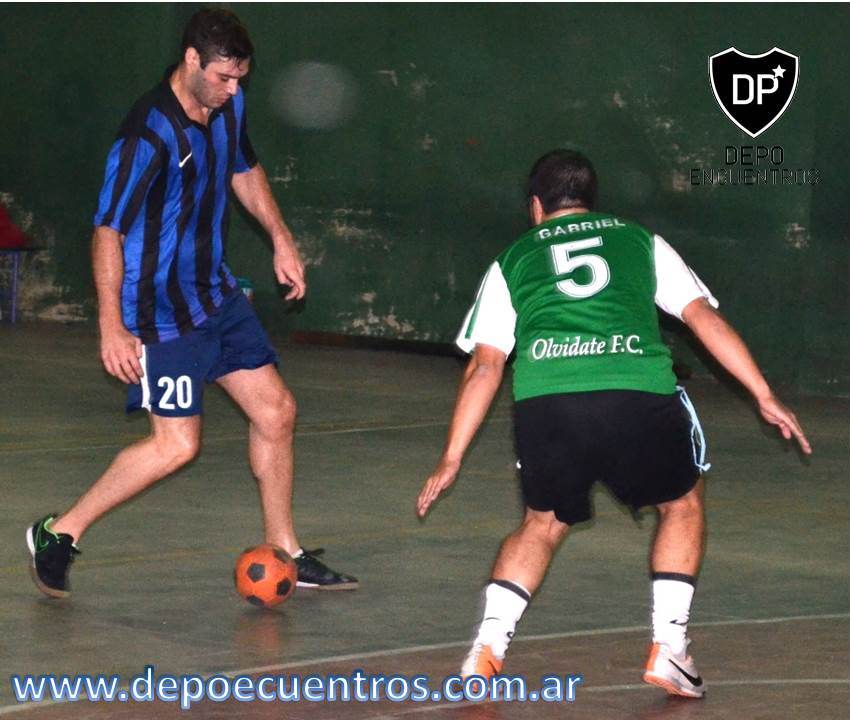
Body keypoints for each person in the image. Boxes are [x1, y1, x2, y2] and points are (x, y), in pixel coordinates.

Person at [416, 149, 811, 698]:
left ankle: (486, 651)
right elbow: (701, 316)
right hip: (635, 392)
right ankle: (669, 647)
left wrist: (452, 456)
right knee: (682, 503)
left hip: (549, 401)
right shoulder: (640, 241)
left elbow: (486, 365)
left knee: (541, 524)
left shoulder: (513, 259)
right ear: (591, 201)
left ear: (536, 207)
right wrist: (762, 392)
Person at [26, 8, 357, 597]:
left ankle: (285, 550)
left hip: (215, 292)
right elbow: (107, 231)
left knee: (276, 412)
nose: (233, 89)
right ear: (190, 60)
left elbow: (244, 168)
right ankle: (60, 532)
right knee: (176, 445)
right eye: (223, 78)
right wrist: (111, 325)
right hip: (159, 313)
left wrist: (281, 238)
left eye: (241, 79)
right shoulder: (146, 135)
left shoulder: (228, 107)